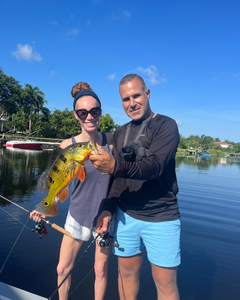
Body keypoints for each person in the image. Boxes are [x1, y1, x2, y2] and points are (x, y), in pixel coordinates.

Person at [89, 74, 181, 300]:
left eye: (136, 95)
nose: (132, 103)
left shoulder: (166, 125)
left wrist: (115, 166)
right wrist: (109, 208)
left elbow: (156, 166)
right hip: (126, 216)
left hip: (162, 217)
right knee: (126, 273)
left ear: (147, 94)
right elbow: (118, 179)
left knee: (165, 283)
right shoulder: (121, 132)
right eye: (125, 99)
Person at [30, 82, 113, 300]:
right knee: (62, 270)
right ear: (76, 115)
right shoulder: (67, 145)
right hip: (77, 213)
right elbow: (58, 183)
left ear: (100, 112)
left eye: (94, 111)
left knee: (100, 271)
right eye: (83, 113)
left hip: (104, 217)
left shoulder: (111, 142)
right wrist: (44, 207)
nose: (89, 117)